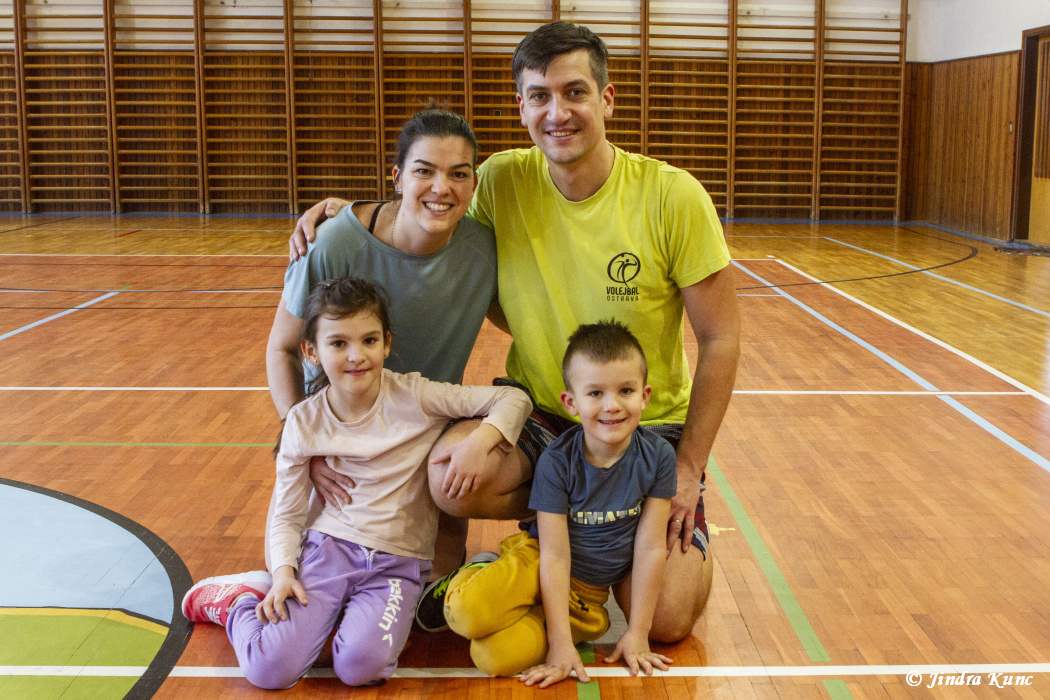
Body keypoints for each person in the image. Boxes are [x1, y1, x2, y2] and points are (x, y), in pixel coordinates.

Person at [291, 21, 740, 642]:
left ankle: (594, 534)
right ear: (521, 107)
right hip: (546, 415)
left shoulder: (673, 196)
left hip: (646, 422)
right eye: (539, 96)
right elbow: (431, 209)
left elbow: (721, 338)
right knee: (450, 474)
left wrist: (688, 466)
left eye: (575, 92)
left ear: (607, 99)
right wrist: (350, 216)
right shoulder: (501, 181)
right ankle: (550, 539)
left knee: (666, 620)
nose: (558, 112)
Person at [182, 277, 531, 689]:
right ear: (311, 352)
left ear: (387, 343)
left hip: (397, 565)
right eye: (338, 343)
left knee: (361, 668)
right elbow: (287, 514)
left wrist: (481, 441)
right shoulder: (304, 422)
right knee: (269, 670)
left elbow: (514, 398)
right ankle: (238, 602)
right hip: (326, 553)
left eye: (369, 340)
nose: (356, 356)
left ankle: (331, 623)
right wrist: (284, 572)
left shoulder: (416, 395)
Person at [267, 108, 522, 578]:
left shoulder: (483, 249)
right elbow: (282, 349)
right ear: (397, 177)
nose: (441, 188)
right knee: (314, 584)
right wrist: (304, 446)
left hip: (425, 429)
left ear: (473, 184)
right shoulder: (333, 243)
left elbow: (526, 318)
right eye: (424, 171)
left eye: (458, 174)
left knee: (431, 588)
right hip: (341, 439)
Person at [443, 321, 675, 686]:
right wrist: (560, 645)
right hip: (539, 561)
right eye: (595, 393)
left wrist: (638, 633)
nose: (612, 406)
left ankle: (520, 608)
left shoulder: (659, 457)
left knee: (492, 657)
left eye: (626, 390)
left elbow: (650, 548)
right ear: (571, 403)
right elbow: (554, 556)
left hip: (586, 598)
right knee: (464, 613)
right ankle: (483, 569)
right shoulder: (558, 460)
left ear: (644, 395)